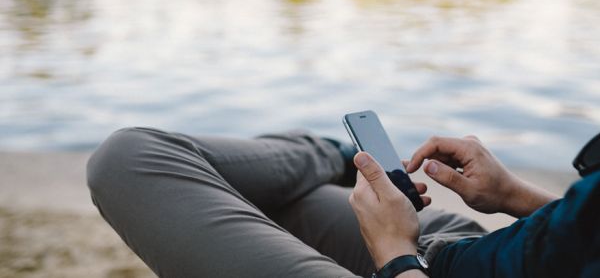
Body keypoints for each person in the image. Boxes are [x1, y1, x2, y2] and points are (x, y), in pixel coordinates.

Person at [87, 127, 599, 277]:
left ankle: (327, 152)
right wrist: (516, 197)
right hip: (474, 248)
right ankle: (332, 156)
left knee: (128, 158)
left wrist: (395, 254)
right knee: (271, 199)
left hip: (413, 264)